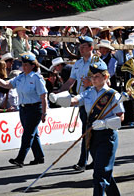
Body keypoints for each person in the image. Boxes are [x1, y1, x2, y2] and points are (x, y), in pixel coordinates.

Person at [50, 58, 125, 196]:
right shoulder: (89, 92)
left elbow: (121, 117)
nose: (94, 79)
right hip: (92, 137)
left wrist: (105, 123)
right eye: (92, 76)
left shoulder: (113, 95)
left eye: (97, 76)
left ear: (105, 77)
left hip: (107, 137)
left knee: (99, 175)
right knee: (103, 172)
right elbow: (75, 100)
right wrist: (58, 99)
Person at [0, 52, 48, 167]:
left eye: (27, 65)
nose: (24, 67)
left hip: (35, 108)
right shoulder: (20, 77)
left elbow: (43, 96)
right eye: (23, 64)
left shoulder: (37, 78)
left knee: (27, 134)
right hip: (23, 109)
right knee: (32, 133)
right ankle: (39, 156)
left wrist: (44, 113)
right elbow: (7, 85)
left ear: (33, 65)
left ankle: (20, 158)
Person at [57, 35, 95, 172]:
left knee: (88, 132)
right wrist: (58, 93)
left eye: (84, 46)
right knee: (87, 132)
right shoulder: (78, 64)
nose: (81, 48)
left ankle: (83, 162)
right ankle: (94, 160)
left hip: (94, 102)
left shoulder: (97, 62)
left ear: (91, 48)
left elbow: (106, 82)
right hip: (82, 101)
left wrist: (91, 83)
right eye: (80, 46)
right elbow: (70, 81)